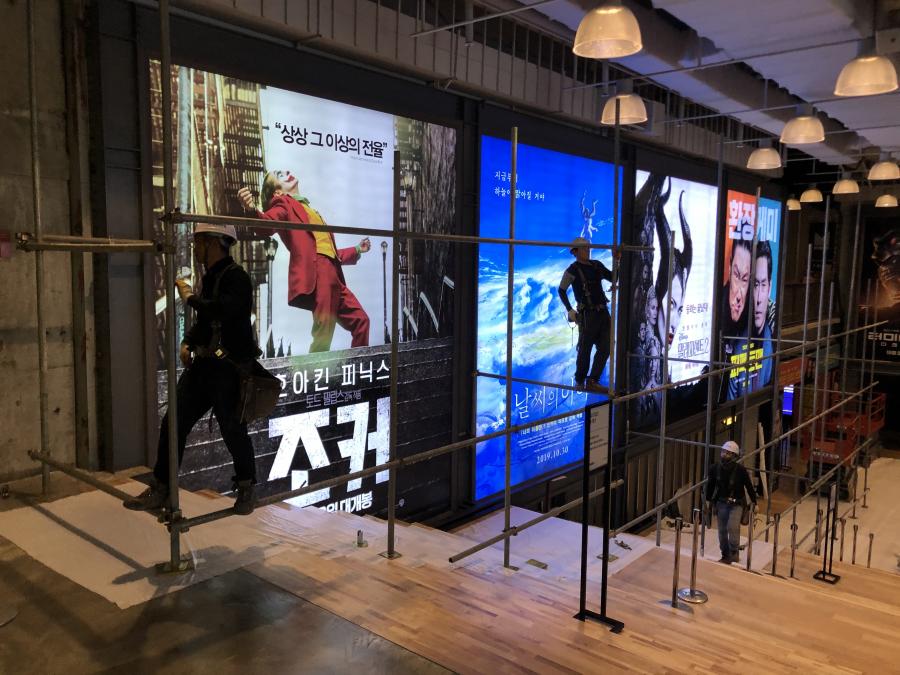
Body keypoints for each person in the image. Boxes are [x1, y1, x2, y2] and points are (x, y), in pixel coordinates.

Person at [125, 224, 258, 514]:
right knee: (174, 421)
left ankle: (247, 487)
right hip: (205, 366)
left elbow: (222, 311)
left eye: (198, 243)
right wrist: (189, 341)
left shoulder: (237, 277)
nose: (195, 248)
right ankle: (162, 487)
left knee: (233, 429)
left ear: (213, 243)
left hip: (228, 370)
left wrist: (190, 298)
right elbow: (207, 322)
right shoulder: (212, 277)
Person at [238, 170, 371, 353]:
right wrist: (252, 210)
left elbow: (329, 253)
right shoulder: (283, 204)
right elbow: (266, 224)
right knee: (324, 327)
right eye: (280, 174)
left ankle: (360, 362)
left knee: (361, 321)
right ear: (278, 192)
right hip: (319, 273)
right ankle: (315, 368)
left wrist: (356, 250)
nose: (286, 172)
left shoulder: (309, 209)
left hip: (334, 274)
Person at [558, 237, 612, 393]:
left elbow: (614, 277)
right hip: (587, 315)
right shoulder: (572, 270)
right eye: (584, 248)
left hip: (603, 313)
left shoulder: (597, 265)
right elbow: (561, 290)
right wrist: (569, 309)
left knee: (606, 347)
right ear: (575, 252)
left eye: (588, 247)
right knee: (584, 349)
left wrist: (618, 260)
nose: (587, 250)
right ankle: (580, 380)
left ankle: (593, 380)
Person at [706, 441, 757, 564]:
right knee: (722, 531)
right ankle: (725, 555)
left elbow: (749, 487)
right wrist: (708, 501)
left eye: (728, 453)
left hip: (736, 504)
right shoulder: (715, 468)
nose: (724, 455)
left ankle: (734, 553)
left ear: (734, 456)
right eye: (723, 452)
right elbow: (710, 486)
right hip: (721, 502)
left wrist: (755, 503)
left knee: (732, 527)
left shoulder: (741, 470)